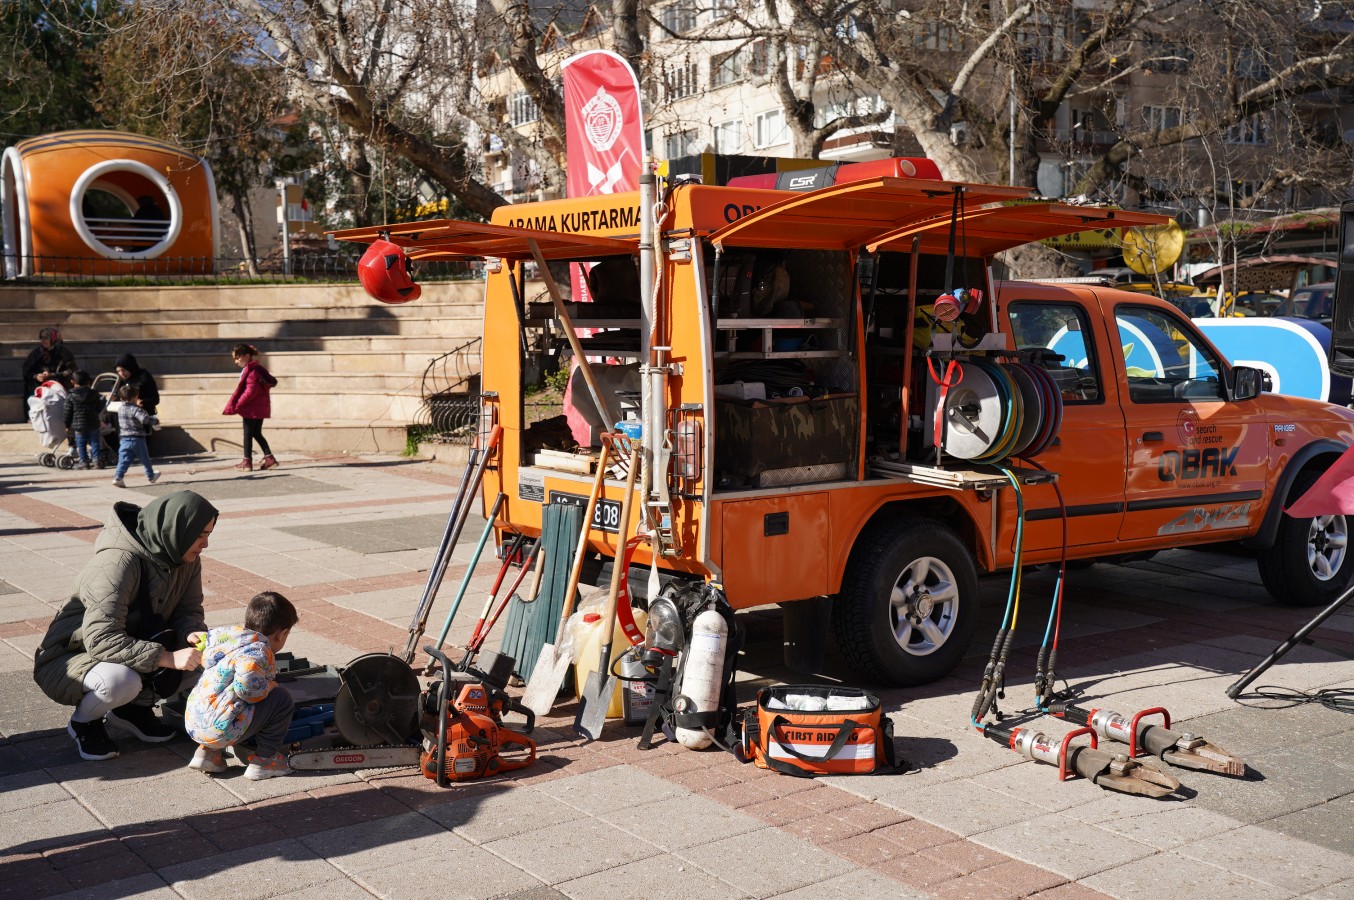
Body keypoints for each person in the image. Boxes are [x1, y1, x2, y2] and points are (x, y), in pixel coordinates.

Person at [33, 491, 216, 761]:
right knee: (121, 682)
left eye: (209, 534)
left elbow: (188, 611)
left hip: (131, 646)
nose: (206, 544)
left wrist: (192, 633)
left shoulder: (184, 557)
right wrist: (167, 657)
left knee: (212, 663)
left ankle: (131, 711)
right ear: (176, 528)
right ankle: (84, 722)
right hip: (70, 657)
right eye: (200, 535)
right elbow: (101, 639)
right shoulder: (116, 563)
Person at [185, 592, 298, 780]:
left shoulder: (229, 641)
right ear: (282, 634)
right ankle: (265, 760)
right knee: (281, 699)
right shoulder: (257, 652)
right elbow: (247, 690)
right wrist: (269, 687)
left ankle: (207, 754)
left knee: (221, 696)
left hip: (195, 723)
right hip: (222, 729)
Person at [223, 343, 278, 472]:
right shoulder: (256, 368)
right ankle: (269, 459)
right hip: (259, 407)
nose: (236, 361)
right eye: (234, 359)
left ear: (247, 356)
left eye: (238, 358)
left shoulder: (252, 371)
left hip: (251, 408)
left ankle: (247, 462)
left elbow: (250, 392)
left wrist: (237, 405)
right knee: (256, 433)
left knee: (247, 434)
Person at [112, 384, 160, 488]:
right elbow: (144, 419)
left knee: (123, 460)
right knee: (145, 459)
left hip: (124, 439)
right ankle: (151, 476)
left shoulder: (121, 409)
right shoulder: (136, 409)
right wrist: (155, 421)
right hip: (137, 439)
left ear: (121, 398)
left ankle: (118, 477)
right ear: (135, 397)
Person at [64, 369, 106, 469]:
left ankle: (84, 462)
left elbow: (67, 412)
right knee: (95, 441)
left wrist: (67, 424)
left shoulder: (71, 395)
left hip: (79, 424)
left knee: (81, 443)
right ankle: (97, 461)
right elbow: (99, 407)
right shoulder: (94, 394)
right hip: (93, 422)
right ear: (89, 381)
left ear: (72, 381)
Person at [22, 327, 77, 397]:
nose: (43, 340)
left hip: (58, 383)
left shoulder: (63, 352)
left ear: (53, 338)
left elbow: (71, 371)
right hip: (41, 384)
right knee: (30, 383)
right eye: (42, 338)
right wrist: (36, 376)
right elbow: (26, 369)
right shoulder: (37, 352)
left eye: (46, 338)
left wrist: (52, 375)